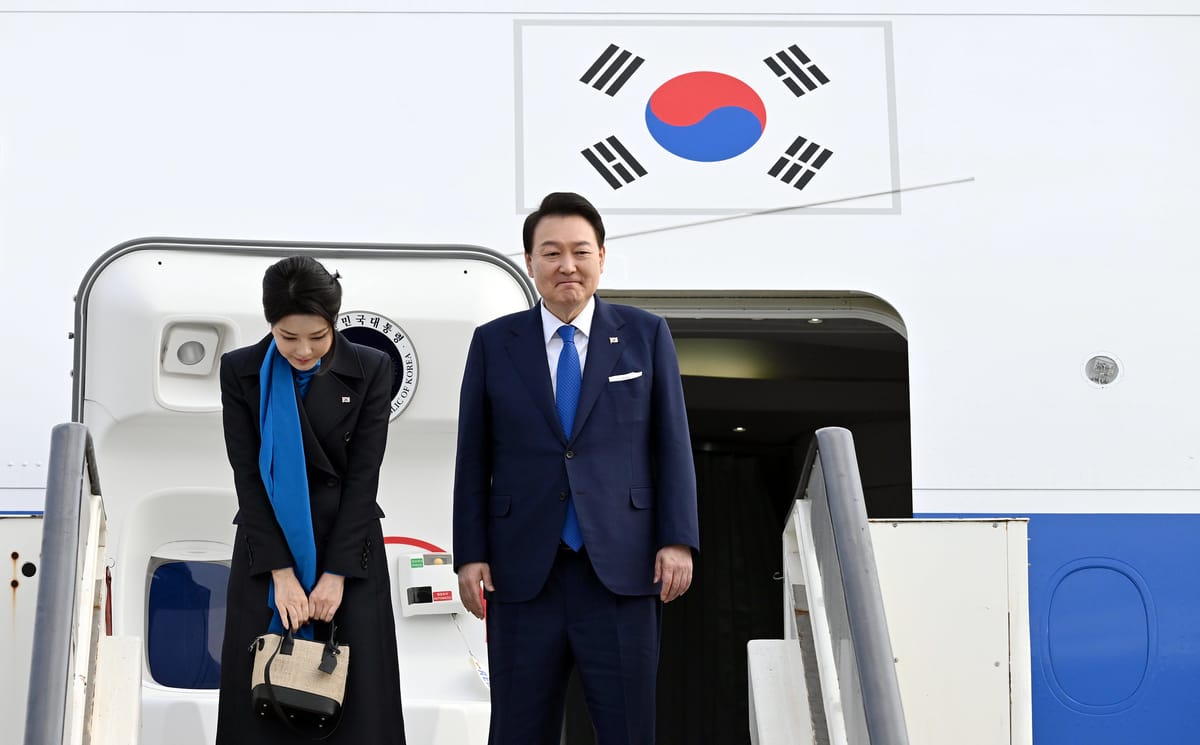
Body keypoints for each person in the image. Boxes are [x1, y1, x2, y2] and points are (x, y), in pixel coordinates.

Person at [453, 192, 699, 745]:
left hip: (623, 568)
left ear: (602, 257)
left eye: (580, 251)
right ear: (530, 262)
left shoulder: (645, 334)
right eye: (552, 252)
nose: (567, 265)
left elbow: (672, 444)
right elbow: (474, 456)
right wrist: (470, 554)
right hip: (521, 574)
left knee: (628, 729)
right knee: (517, 729)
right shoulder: (495, 343)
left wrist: (677, 539)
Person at [215, 256, 406, 744]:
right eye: (287, 336)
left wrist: (335, 575)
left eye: (317, 337)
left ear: (334, 322)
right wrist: (281, 574)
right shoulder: (240, 371)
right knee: (266, 699)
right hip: (267, 553)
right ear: (270, 325)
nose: (303, 350)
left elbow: (364, 478)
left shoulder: (372, 368)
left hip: (348, 554)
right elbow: (248, 478)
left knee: (357, 710)